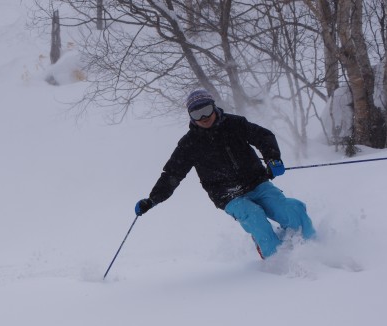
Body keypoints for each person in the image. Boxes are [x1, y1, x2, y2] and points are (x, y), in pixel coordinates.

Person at [135, 88, 315, 259]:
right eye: (197, 114)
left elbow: (263, 136)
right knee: (254, 216)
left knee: (289, 210)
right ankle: (276, 260)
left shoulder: (235, 124)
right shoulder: (189, 144)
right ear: (191, 117)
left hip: (257, 183)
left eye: (206, 110)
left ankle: (313, 247)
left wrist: (272, 159)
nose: (204, 117)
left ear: (213, 106)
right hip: (227, 195)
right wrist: (152, 200)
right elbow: (172, 174)